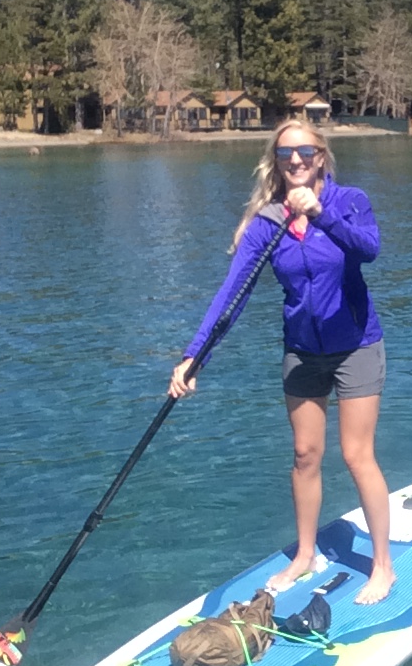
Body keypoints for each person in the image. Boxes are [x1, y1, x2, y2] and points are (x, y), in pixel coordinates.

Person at [169, 120, 395, 605]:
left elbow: (369, 248)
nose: (296, 159)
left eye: (306, 151)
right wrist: (195, 356)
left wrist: (322, 216)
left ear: (321, 156)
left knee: (357, 456)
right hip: (302, 352)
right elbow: (233, 293)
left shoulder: (348, 200)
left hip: (357, 345)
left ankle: (382, 565)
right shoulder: (266, 224)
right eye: (286, 152)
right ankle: (306, 554)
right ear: (276, 159)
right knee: (304, 456)